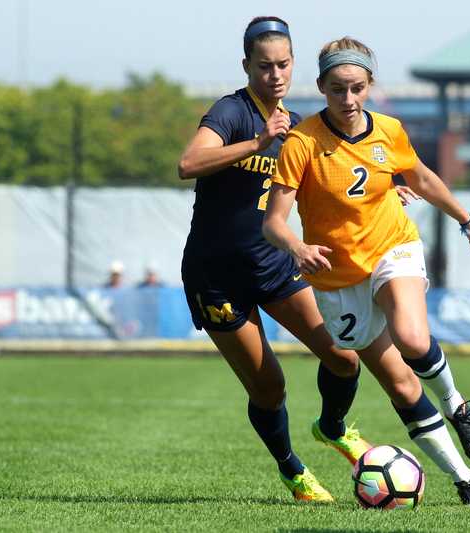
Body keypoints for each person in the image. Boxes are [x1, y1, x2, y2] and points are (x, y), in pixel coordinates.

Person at [263, 37, 470, 505]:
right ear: (322, 87)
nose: (348, 100)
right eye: (337, 89)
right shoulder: (302, 142)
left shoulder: (389, 129)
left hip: (393, 248)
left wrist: (467, 220)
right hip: (337, 278)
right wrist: (298, 247)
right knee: (402, 384)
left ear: (370, 85)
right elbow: (272, 222)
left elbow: (422, 178)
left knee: (412, 338)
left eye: (357, 88)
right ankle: (465, 479)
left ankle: (457, 406)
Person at [178, 17, 372, 503]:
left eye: (283, 64)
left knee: (345, 357)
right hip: (216, 275)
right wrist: (258, 142)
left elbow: (330, 180)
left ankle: (332, 427)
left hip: (275, 266)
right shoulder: (232, 112)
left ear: (294, 65)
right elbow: (188, 164)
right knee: (270, 388)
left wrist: (387, 190)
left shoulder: (299, 127)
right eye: (264, 66)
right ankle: (292, 470)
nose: (275, 74)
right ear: (247, 66)